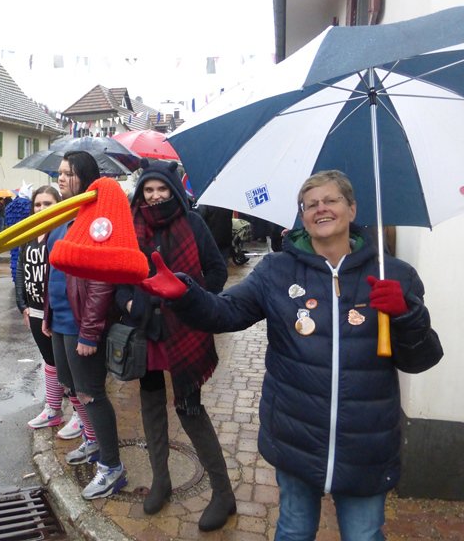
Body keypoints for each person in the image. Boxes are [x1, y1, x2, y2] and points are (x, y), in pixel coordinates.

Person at [140, 170, 443, 541]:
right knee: (294, 529)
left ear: (352, 209)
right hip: (296, 436)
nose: (321, 209)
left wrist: (406, 315)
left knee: (363, 534)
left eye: (331, 200)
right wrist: (186, 295)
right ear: (302, 217)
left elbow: (422, 359)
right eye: (310, 204)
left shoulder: (393, 275)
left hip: (366, 442)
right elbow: (226, 313)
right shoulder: (276, 271)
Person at [115, 159, 234, 530]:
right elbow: (118, 276)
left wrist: (192, 298)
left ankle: (223, 493)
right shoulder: (131, 226)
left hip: (185, 330)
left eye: (161, 190)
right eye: (148, 190)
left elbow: (217, 273)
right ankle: (161, 481)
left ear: (174, 191)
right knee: (150, 405)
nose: (154, 197)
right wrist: (129, 302)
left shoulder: (193, 223)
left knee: (189, 408)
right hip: (147, 329)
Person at [43, 151, 126, 500]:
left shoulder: (95, 219)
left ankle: (112, 467)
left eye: (68, 173)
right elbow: (54, 273)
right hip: (61, 321)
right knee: (73, 389)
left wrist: (90, 331)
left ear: (85, 177)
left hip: (81, 325)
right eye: (59, 173)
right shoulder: (64, 218)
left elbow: (101, 278)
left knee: (92, 394)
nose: (61, 178)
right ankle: (92, 442)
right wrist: (48, 316)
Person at [15, 185, 82, 440]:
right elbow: (21, 269)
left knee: (68, 367)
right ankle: (53, 409)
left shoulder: (62, 233)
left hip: (54, 312)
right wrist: (22, 304)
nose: (41, 209)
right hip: (32, 310)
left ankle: (78, 413)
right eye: (38, 204)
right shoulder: (30, 234)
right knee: (50, 362)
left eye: (48, 203)